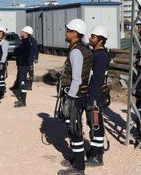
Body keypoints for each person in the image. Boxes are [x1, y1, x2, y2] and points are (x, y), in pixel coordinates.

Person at [57, 19, 93, 175]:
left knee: (74, 129)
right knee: (74, 128)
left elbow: (77, 78)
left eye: (68, 30)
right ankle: (76, 157)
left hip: (75, 95)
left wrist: (70, 99)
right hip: (80, 93)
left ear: (74, 33)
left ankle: (79, 168)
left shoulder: (76, 51)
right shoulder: (82, 48)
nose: (66, 33)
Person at [85, 25, 111, 167]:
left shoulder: (101, 56)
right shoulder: (95, 53)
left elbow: (97, 79)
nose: (90, 38)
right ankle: (94, 150)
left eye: (93, 37)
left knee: (96, 124)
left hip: (95, 96)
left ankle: (97, 156)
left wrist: (92, 98)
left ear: (100, 40)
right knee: (92, 124)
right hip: (92, 95)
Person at [13, 26, 37, 108]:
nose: (21, 32)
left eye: (23, 31)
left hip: (23, 65)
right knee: (21, 83)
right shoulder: (24, 41)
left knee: (22, 83)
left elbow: (17, 51)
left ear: (26, 33)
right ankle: (21, 99)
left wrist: (16, 51)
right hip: (21, 65)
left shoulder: (26, 43)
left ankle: (23, 101)